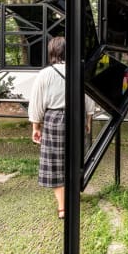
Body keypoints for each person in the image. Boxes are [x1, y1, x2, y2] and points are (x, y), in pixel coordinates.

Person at [28, 37, 92, 219]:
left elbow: (37, 102)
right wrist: (88, 121)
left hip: (54, 119)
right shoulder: (81, 72)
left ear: (52, 52)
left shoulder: (45, 74)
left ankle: (63, 207)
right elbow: (89, 99)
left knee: (55, 163)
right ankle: (74, 195)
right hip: (77, 116)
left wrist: (36, 126)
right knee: (76, 158)